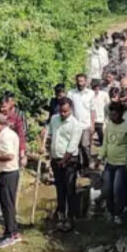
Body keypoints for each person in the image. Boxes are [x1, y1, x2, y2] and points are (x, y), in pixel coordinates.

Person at [42, 98, 81, 232]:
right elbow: (50, 135)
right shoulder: (54, 119)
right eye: (61, 111)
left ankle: (71, 218)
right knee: (60, 188)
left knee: (70, 189)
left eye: (66, 111)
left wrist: (63, 162)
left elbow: (72, 146)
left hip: (69, 161)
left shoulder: (76, 125)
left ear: (71, 110)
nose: (63, 114)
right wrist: (45, 147)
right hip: (56, 159)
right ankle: (61, 214)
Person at [0, 113, 22, 248]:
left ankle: (11, 234)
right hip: (6, 172)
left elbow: (9, 155)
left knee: (7, 205)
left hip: (8, 173)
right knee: (8, 204)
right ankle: (12, 231)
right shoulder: (6, 135)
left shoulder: (6, 136)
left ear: (0, 124)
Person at [98, 102, 127, 225]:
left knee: (117, 190)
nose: (112, 117)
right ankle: (110, 211)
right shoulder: (108, 126)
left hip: (121, 165)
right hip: (110, 163)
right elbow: (105, 144)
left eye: (114, 114)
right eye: (110, 114)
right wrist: (100, 157)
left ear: (119, 114)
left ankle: (118, 213)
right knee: (107, 189)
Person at [67, 73, 95, 170]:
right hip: (75, 124)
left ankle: (88, 162)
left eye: (82, 81)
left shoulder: (90, 94)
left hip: (86, 124)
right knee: (76, 146)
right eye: (78, 81)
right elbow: (69, 108)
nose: (80, 83)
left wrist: (93, 124)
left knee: (84, 145)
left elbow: (92, 110)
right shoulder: (71, 93)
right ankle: (79, 166)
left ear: (86, 82)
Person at [92, 79, 110, 148]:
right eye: (94, 88)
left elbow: (108, 106)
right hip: (92, 120)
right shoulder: (90, 95)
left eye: (97, 87)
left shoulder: (104, 95)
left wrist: (107, 119)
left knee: (102, 137)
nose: (96, 89)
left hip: (101, 119)